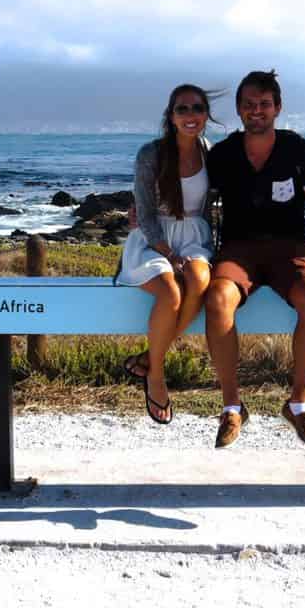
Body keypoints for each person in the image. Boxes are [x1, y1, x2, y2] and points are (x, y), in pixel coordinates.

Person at [204, 69, 305, 449]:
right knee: (217, 300)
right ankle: (232, 406)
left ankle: (298, 405)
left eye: (264, 104)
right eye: (248, 104)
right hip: (238, 250)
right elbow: (191, 204)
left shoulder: (299, 151)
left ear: (277, 108)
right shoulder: (224, 154)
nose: (256, 110)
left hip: (291, 250)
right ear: (239, 110)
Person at [115, 84, 217, 424]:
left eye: (197, 108)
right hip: (152, 238)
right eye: (182, 109)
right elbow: (143, 213)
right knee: (171, 292)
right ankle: (156, 375)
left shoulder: (209, 152)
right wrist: (168, 253)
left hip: (194, 236)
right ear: (170, 116)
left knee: (199, 281)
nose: (190, 115)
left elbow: (217, 206)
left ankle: (149, 356)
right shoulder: (151, 154)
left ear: (206, 114)